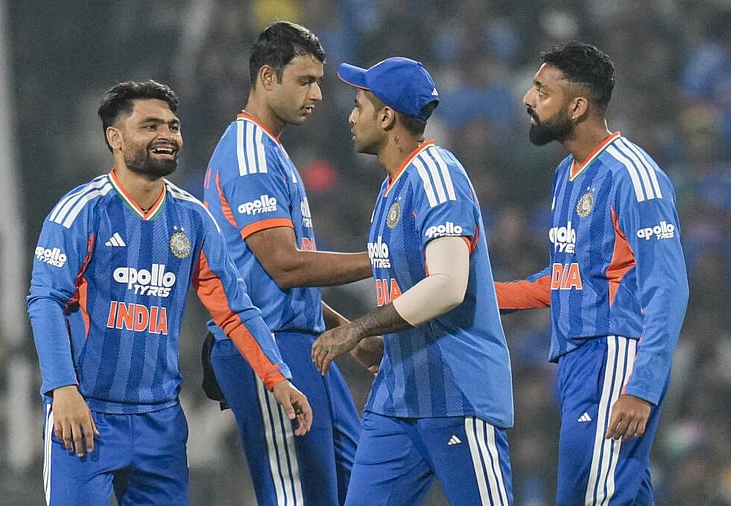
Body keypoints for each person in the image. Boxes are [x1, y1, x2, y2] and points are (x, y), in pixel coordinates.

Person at [27, 79, 312, 506]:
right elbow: (45, 299)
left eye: (173, 126)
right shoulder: (82, 211)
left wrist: (278, 377)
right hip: (86, 414)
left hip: (160, 421)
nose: (167, 135)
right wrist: (62, 389)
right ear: (115, 138)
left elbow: (234, 310)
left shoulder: (193, 219)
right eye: (150, 126)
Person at [312, 56, 515, 506]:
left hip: (456, 395)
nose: (351, 115)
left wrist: (361, 327)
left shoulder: (437, 175)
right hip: (397, 396)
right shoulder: (392, 186)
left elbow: (447, 285)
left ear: (386, 117)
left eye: (359, 104)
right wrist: (381, 345)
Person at [494, 42, 689, 505]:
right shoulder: (567, 173)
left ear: (578, 106)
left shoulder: (634, 176)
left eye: (542, 89)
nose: (527, 97)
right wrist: (477, 294)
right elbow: (566, 278)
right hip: (579, 363)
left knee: (588, 498)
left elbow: (668, 287)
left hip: (613, 358)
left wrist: (641, 387)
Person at [197, 21, 379, 506]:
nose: (317, 94)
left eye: (318, 81)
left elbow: (276, 281)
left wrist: (346, 329)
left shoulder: (270, 151)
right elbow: (284, 265)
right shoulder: (250, 155)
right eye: (305, 81)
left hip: (301, 340)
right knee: (295, 494)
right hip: (267, 346)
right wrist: (379, 260)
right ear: (266, 78)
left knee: (353, 483)